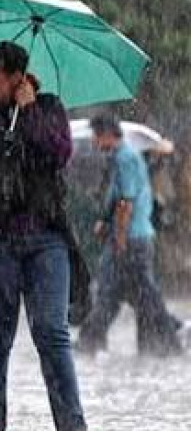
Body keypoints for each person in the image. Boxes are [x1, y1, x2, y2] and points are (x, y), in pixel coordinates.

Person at [0, 41, 99, 431]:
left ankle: (74, 428)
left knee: (52, 332)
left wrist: (30, 111)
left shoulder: (49, 109)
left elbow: (59, 153)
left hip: (46, 240)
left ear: (17, 77)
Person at [76, 114, 183, 356]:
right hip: (131, 236)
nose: (94, 141)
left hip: (131, 238)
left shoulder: (125, 158)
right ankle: (95, 340)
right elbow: (118, 199)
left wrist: (120, 238)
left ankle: (168, 336)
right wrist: (105, 221)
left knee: (136, 292)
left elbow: (126, 202)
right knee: (119, 292)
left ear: (107, 135)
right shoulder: (121, 158)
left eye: (96, 136)